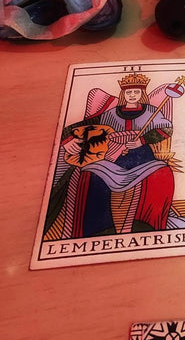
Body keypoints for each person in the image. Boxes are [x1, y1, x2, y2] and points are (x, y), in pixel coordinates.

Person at [46, 73, 175, 238]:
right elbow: (73, 127)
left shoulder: (151, 111)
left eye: (136, 92)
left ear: (142, 93)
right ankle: (96, 228)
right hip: (112, 158)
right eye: (129, 92)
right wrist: (67, 139)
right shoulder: (110, 113)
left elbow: (166, 129)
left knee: (162, 174)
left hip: (143, 157)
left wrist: (142, 140)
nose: (132, 95)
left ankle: (145, 225)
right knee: (89, 176)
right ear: (123, 94)